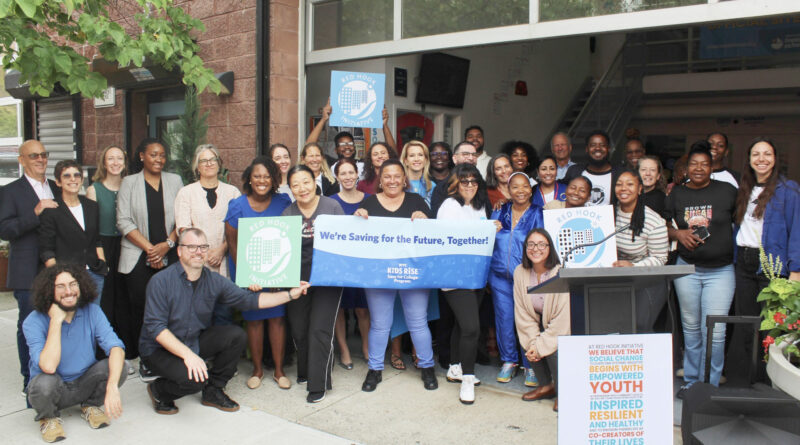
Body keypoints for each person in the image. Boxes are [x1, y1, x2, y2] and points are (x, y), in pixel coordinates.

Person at [140, 228, 310, 415]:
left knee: (235, 336)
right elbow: (156, 328)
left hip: (192, 340)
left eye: (203, 247)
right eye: (192, 247)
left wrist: (289, 295)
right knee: (195, 381)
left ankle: (213, 390)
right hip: (158, 350)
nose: (198, 252)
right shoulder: (161, 281)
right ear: (179, 251)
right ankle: (159, 391)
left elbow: (250, 300)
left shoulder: (214, 280)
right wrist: (189, 356)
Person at [355, 159, 437, 392]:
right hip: (379, 274)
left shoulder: (416, 201)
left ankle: (427, 367)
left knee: (418, 322)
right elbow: (356, 237)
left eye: (396, 176)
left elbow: (433, 236)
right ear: (380, 181)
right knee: (380, 324)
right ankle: (375, 369)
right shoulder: (369, 203)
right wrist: (357, 218)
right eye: (387, 176)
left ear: (404, 180)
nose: (392, 180)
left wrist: (425, 220)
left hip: (413, 271)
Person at [23, 264, 127, 443]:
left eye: (73, 284)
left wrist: (112, 386)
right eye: (60, 286)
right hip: (53, 387)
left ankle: (90, 406)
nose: (69, 291)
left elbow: (116, 348)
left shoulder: (92, 311)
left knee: (119, 367)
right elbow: (48, 366)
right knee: (43, 384)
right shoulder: (33, 321)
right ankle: (48, 418)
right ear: (49, 290)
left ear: (81, 286)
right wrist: (56, 321)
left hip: (84, 382)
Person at [665, 143, 737, 388]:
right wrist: (678, 234)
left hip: (721, 272)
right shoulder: (677, 194)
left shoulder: (727, 191)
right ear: (686, 168)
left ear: (711, 167)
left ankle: (711, 384)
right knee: (692, 329)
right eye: (693, 164)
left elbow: (743, 223)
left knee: (715, 332)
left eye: (704, 164)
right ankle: (693, 382)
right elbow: (660, 226)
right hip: (687, 270)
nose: (698, 168)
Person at [728, 138, 800, 384]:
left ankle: (768, 382)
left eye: (767, 154)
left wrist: (796, 270)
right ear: (748, 159)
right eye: (756, 154)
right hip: (744, 262)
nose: (761, 159)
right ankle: (746, 379)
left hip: (772, 264)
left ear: (775, 158)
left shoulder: (788, 190)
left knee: (771, 326)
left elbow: (797, 231)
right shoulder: (744, 189)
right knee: (746, 324)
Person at [224, 157, 293, 390]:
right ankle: (257, 370)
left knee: (277, 320)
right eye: (257, 176)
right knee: (253, 322)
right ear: (249, 179)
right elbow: (232, 244)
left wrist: (279, 277)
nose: (262, 181)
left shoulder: (283, 202)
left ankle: (280, 370)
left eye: (266, 176)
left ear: (273, 179)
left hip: (277, 274)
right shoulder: (237, 205)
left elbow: (289, 239)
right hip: (248, 275)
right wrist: (247, 276)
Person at [281, 165, 345, 403]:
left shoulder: (332, 207)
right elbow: (283, 253)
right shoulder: (287, 214)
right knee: (299, 328)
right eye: (295, 184)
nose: (302, 188)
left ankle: (319, 383)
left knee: (320, 329)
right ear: (290, 188)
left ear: (314, 181)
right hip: (297, 280)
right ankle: (306, 371)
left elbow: (345, 241)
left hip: (328, 279)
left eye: (306, 182)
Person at [116, 138, 183, 365]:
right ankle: (146, 355)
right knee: (141, 306)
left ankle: (170, 351)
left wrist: (167, 245)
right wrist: (151, 250)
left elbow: (183, 217)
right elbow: (123, 221)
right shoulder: (129, 182)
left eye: (162, 155)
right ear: (142, 156)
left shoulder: (175, 181)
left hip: (171, 251)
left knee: (171, 304)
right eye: (153, 154)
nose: (159, 159)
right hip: (137, 254)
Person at [0, 140, 59, 390]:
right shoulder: (11, 191)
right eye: (33, 155)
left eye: (44, 155)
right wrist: (34, 212)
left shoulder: (57, 186)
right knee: (30, 326)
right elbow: (5, 230)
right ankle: (30, 379)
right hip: (27, 271)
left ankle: (57, 373)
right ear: (21, 160)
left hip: (56, 269)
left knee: (58, 323)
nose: (40, 159)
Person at [437, 164, 495, 404]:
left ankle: (454, 367)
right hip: (455, 276)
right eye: (464, 181)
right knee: (472, 328)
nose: (469, 185)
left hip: (477, 275)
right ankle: (468, 380)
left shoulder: (480, 206)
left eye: (473, 181)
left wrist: (492, 228)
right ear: (456, 184)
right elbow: (447, 238)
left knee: (462, 326)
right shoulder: (450, 206)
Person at [489, 172, 544, 386]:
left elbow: (543, 244)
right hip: (499, 275)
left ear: (531, 189)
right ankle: (509, 361)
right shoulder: (499, 211)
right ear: (508, 191)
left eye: (524, 187)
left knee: (528, 320)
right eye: (515, 187)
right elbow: (486, 240)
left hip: (527, 276)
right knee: (504, 319)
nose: (520, 191)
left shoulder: (539, 213)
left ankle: (531, 364)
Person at [513, 229, 569, 410]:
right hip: (539, 325)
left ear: (549, 248)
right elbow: (522, 312)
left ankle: (565, 392)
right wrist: (533, 343)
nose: (536, 249)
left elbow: (562, 321)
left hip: (564, 328)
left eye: (541, 244)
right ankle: (546, 386)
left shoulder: (561, 273)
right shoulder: (520, 272)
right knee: (528, 342)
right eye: (531, 244)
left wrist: (540, 346)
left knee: (553, 348)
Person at [38, 160, 107, 299]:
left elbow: (97, 240)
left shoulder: (92, 206)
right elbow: (47, 250)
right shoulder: (51, 210)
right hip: (67, 277)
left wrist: (103, 263)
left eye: (77, 175)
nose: (73, 179)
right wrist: (57, 277)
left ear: (82, 180)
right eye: (67, 176)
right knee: (70, 318)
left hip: (94, 273)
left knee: (91, 316)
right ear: (58, 182)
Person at [612, 169, 669, 332]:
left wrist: (634, 267)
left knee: (639, 324)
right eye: (619, 184)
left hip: (647, 279)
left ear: (639, 189)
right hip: (616, 279)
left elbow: (660, 259)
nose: (623, 188)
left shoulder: (653, 221)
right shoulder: (609, 213)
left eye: (630, 184)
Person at [174, 144, 240, 278]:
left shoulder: (233, 193)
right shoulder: (186, 193)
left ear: (219, 163)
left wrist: (221, 250)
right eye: (203, 161)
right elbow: (183, 229)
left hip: (226, 261)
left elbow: (240, 228)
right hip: (195, 261)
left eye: (213, 159)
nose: (209, 164)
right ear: (197, 167)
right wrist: (203, 251)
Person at [330, 158, 371, 369]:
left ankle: (366, 347)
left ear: (357, 174)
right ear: (337, 177)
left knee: (363, 309)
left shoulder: (370, 200)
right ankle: (344, 349)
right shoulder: (329, 202)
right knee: (340, 310)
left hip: (363, 264)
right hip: (339, 264)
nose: (347, 177)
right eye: (342, 173)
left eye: (350, 172)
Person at [307, 97, 396, 170]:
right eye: (342, 144)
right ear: (336, 150)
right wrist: (323, 120)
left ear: (354, 147)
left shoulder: (364, 164)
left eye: (350, 143)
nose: (347, 147)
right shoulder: (330, 164)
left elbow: (393, 155)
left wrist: (384, 125)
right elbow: (308, 148)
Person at [563, 130, 621, 206]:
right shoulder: (574, 171)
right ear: (587, 149)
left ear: (608, 149)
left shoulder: (619, 173)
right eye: (593, 145)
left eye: (602, 145)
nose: (597, 148)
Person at [430, 141, 482, 214]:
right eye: (465, 154)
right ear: (454, 158)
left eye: (474, 155)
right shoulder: (442, 187)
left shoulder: (481, 184)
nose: (471, 158)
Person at [400, 140, 436, 205]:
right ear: (405, 161)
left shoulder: (432, 186)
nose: (416, 159)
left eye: (420, 155)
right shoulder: (398, 184)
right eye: (412, 155)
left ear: (426, 160)